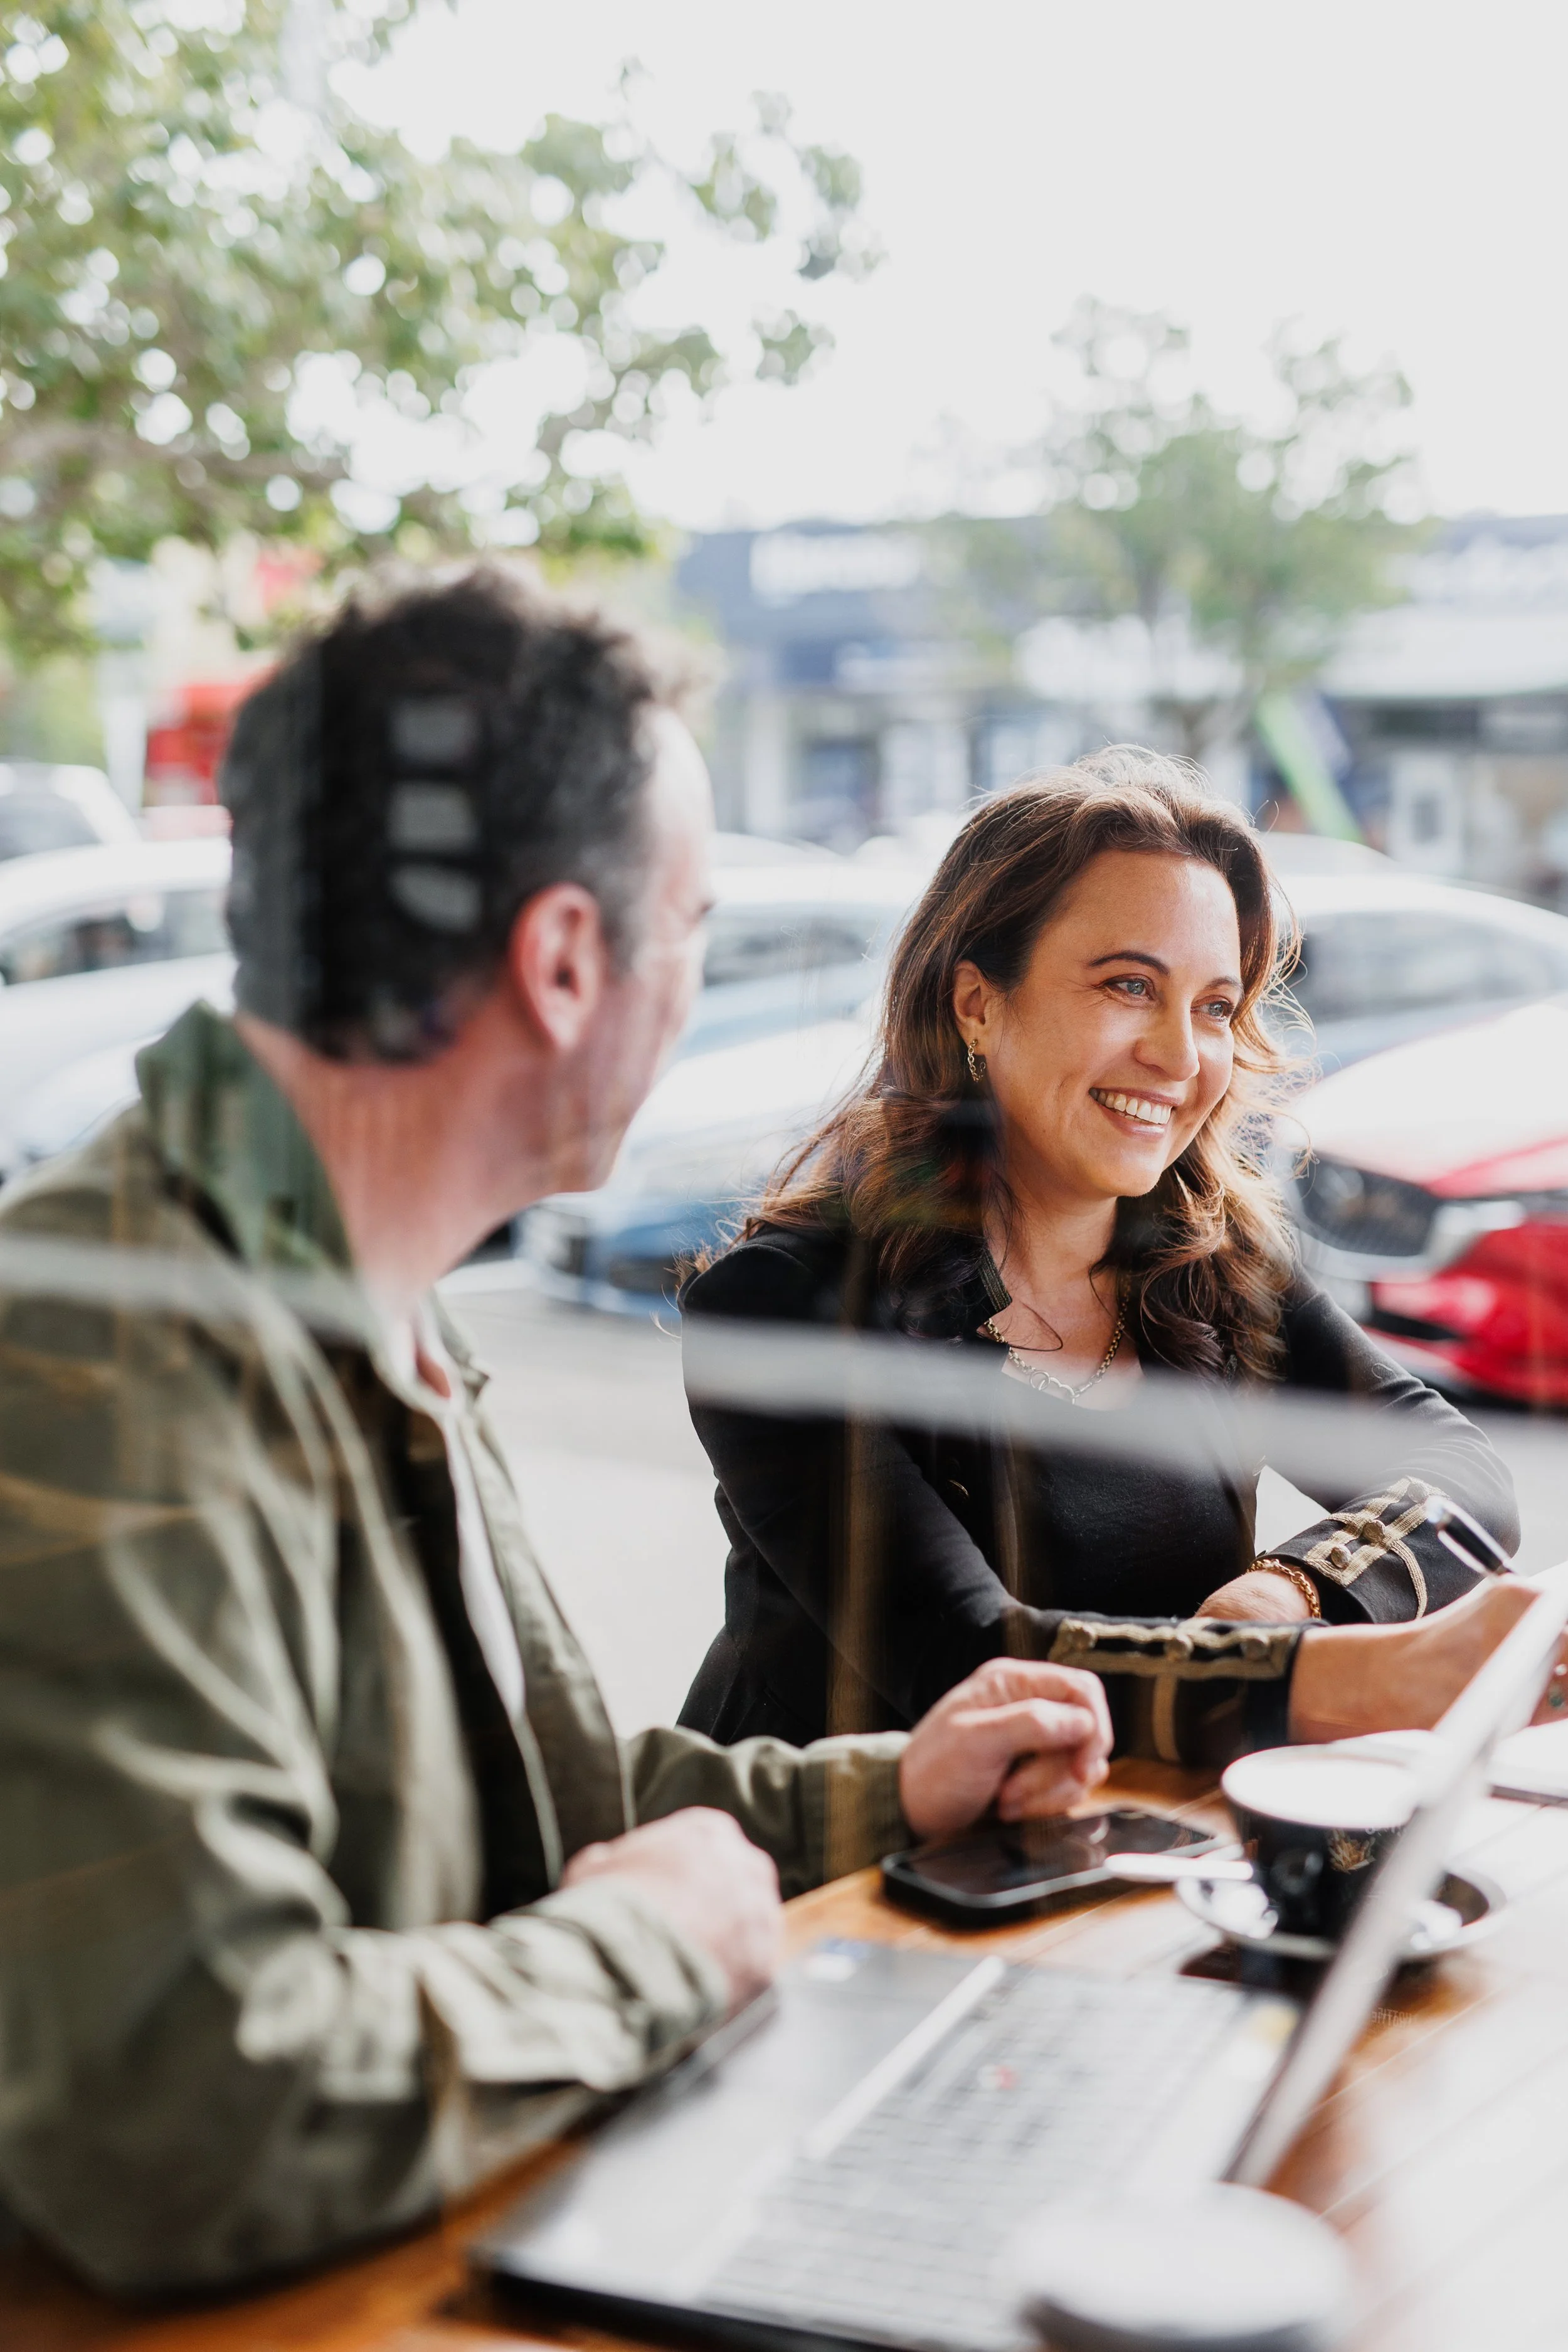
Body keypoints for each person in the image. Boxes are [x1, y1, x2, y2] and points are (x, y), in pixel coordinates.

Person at [0, 592, 1540, 2299]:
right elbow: (182, 2116)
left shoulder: (361, 1305)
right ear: (569, 959)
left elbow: (556, 1805)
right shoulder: (107, 1349)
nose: (697, 1000)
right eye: (696, 930)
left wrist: (902, 1782)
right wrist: (656, 1943)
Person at [679, 751, 1521, 1762]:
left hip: (1119, 1842)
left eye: (1215, 1006)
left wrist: (1293, 1587)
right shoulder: (779, 1305)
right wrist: (1363, 1671)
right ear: (976, 1003)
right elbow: (977, 1665)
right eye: (1130, 985)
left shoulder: (1209, 1264)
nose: (1180, 1054)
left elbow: (1462, 1474)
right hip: (831, 1881)